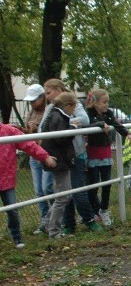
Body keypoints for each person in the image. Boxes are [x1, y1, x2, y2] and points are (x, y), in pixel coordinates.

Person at [39, 79, 104, 234]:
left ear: (59, 90)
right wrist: (68, 125)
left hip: (76, 153)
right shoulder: (51, 110)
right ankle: (66, 224)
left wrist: (68, 123)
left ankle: (88, 219)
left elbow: (84, 119)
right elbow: (44, 128)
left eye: (49, 93)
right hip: (61, 156)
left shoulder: (74, 104)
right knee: (64, 193)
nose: (47, 97)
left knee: (76, 190)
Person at [0, 123, 56, 248]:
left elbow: (29, 144)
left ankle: (17, 237)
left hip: (6, 179)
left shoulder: (9, 131)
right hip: (6, 178)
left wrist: (45, 157)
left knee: (12, 211)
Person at [85, 89, 130, 227]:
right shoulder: (89, 114)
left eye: (107, 102)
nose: (107, 105)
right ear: (95, 103)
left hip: (105, 153)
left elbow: (116, 124)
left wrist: (127, 134)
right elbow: (86, 126)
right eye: (104, 102)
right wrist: (99, 124)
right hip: (92, 153)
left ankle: (104, 209)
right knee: (93, 184)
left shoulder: (108, 114)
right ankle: (94, 210)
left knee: (107, 182)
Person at [41, 91, 79, 239]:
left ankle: (48, 223)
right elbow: (61, 139)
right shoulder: (58, 117)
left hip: (59, 159)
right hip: (59, 160)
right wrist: (73, 128)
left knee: (64, 195)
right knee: (63, 196)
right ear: (68, 105)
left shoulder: (55, 115)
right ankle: (54, 231)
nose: (74, 111)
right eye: (74, 107)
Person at [19, 84, 51, 233]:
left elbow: (48, 131)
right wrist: (23, 130)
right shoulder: (31, 112)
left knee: (47, 188)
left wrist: (37, 128)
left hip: (46, 153)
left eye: (34, 100)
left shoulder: (49, 110)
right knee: (39, 190)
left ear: (43, 97)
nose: (31, 103)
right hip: (34, 155)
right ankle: (44, 219)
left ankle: (56, 216)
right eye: (30, 101)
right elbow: (30, 133)